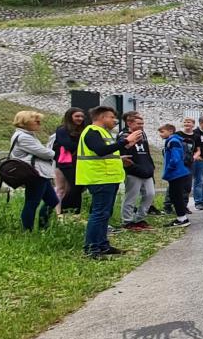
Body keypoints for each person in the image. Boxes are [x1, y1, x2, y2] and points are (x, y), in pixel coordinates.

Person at [78, 106, 138, 259]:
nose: (114, 121)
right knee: (99, 214)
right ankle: (92, 248)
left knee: (105, 214)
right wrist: (125, 141)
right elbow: (100, 150)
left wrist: (120, 156)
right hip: (99, 178)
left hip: (108, 178)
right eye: (111, 117)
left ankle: (103, 245)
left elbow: (106, 152)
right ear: (102, 117)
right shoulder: (92, 131)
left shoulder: (104, 133)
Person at [9, 110, 58, 231]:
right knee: (32, 202)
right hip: (36, 174)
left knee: (52, 200)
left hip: (40, 173)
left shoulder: (26, 135)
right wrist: (56, 153)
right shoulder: (24, 137)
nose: (39, 123)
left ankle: (43, 227)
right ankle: (28, 231)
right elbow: (43, 153)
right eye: (36, 121)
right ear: (25, 122)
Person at [119, 111, 157, 231]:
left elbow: (146, 151)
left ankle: (139, 218)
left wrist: (150, 166)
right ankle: (127, 221)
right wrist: (130, 165)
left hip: (146, 169)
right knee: (131, 197)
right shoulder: (124, 135)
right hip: (133, 171)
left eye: (142, 123)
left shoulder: (142, 134)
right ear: (129, 123)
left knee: (150, 194)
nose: (141, 126)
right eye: (138, 123)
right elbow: (122, 152)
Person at [159, 123, 193, 228]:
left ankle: (182, 219)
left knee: (176, 196)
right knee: (175, 196)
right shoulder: (174, 140)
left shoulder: (173, 141)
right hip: (177, 173)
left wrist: (169, 169)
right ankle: (181, 218)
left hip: (176, 173)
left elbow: (176, 158)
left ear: (170, 131)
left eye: (162, 132)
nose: (160, 134)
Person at [52, 108, 85, 214]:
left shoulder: (82, 129)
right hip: (65, 162)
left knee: (70, 188)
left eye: (82, 116)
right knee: (65, 188)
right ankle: (62, 212)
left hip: (77, 162)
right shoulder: (62, 129)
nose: (80, 119)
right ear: (70, 117)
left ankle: (67, 212)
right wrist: (83, 146)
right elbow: (68, 145)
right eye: (77, 116)